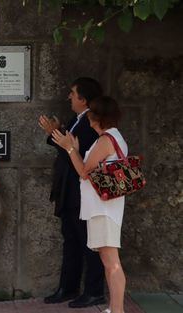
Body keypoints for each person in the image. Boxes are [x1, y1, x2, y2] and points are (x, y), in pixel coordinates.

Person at [51, 96, 127, 313]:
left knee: (111, 263)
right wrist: (73, 149)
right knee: (107, 261)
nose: (89, 118)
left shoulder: (106, 140)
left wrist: (69, 149)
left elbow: (84, 172)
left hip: (103, 209)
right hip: (104, 207)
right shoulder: (112, 137)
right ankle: (115, 307)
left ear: (97, 117)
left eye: (92, 114)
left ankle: (118, 310)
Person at [38, 77, 105, 308]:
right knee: (71, 241)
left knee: (89, 242)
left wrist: (55, 134)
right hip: (69, 191)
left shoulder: (91, 123)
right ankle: (68, 287)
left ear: (83, 99)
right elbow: (68, 147)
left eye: (72, 93)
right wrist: (56, 132)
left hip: (82, 192)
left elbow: (76, 151)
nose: (68, 97)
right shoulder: (78, 120)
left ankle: (95, 291)